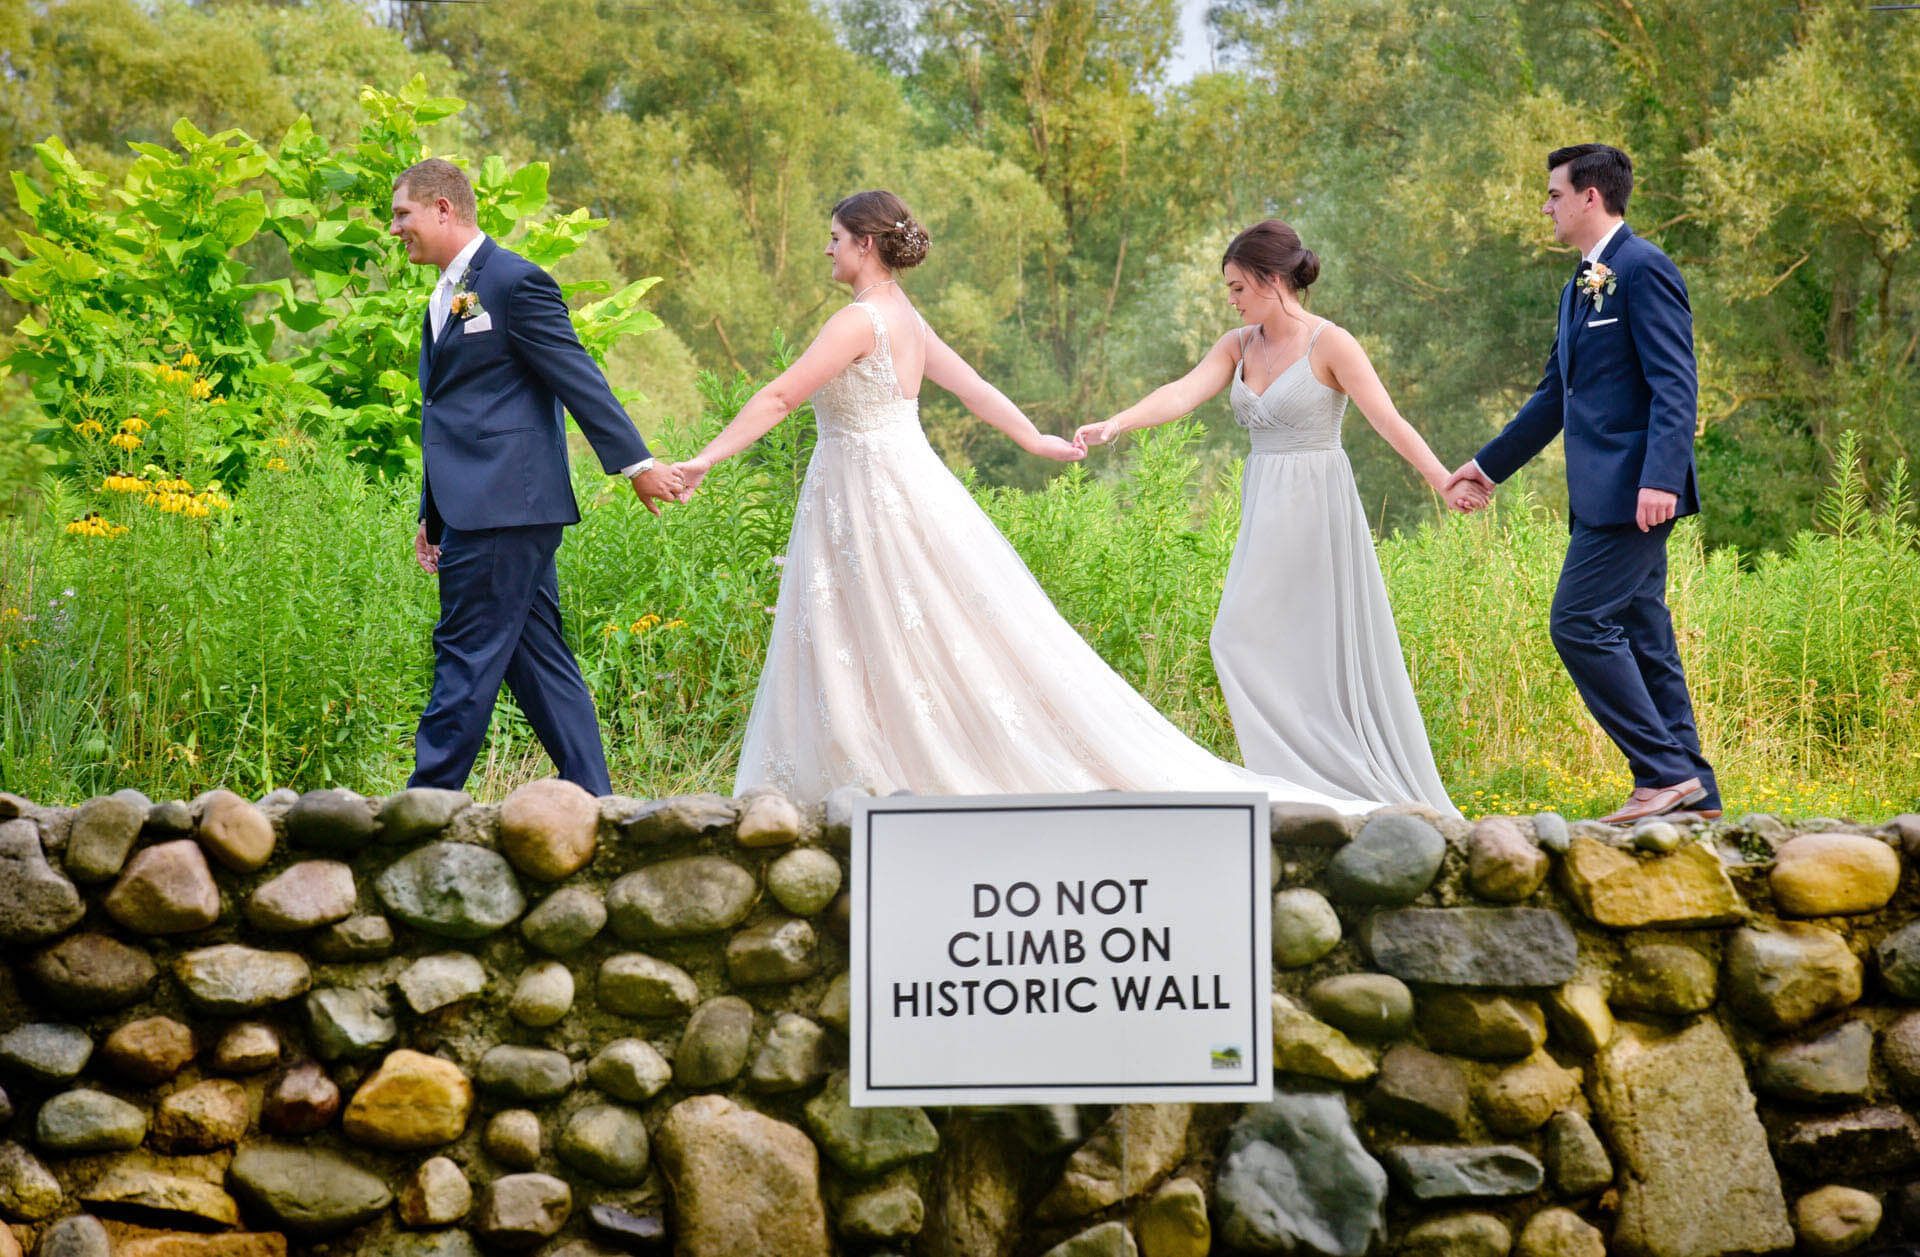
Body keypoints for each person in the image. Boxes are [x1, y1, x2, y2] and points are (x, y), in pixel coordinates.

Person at [670, 191, 1376, 812]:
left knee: (883, 623)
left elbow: (782, 395)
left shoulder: (857, 321)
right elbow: (973, 389)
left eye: (833, 237)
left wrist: (703, 457)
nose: (826, 249)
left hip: (867, 489)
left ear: (864, 244)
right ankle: (880, 757)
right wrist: (1034, 439)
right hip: (894, 481)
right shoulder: (904, 316)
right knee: (905, 624)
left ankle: (882, 761)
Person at [1075, 221, 1471, 815]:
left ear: (1272, 279)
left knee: (1301, 643)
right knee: (1238, 638)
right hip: (1265, 504)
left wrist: (1441, 479)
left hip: (1318, 503)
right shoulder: (1238, 344)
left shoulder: (1332, 344)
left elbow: (1388, 421)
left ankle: (1330, 781)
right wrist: (1119, 422)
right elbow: (1184, 392)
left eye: (1237, 287)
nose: (1231, 299)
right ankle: (1296, 782)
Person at [390, 157, 683, 796]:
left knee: (464, 657)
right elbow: (450, 413)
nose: (395, 229)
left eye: (402, 214)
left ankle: (422, 807)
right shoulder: (442, 297)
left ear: (443, 210)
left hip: (507, 507)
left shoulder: (515, 282)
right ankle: (597, 801)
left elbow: (574, 372)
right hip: (479, 506)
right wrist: (430, 514)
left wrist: (637, 465)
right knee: (538, 662)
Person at [1445, 144, 1719, 824]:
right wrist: (1486, 466)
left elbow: (1675, 384)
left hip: (1635, 494)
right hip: (1601, 495)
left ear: (1589, 196)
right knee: (1645, 637)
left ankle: (1659, 774)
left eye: (1554, 194)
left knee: (1577, 622)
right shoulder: (1581, 283)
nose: (1547, 206)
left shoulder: (1643, 268)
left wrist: (1661, 477)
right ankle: (1696, 796)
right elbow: (1552, 398)